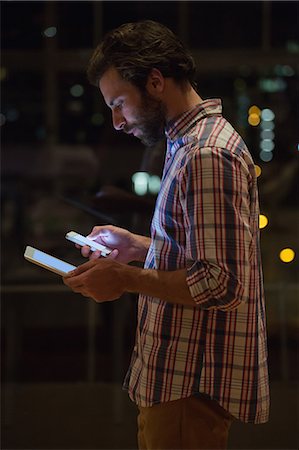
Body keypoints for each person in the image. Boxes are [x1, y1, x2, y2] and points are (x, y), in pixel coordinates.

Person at [63, 20, 270, 450]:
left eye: (119, 103)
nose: (116, 122)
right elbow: (201, 254)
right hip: (177, 378)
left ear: (156, 81)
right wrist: (138, 247)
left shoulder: (206, 153)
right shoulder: (188, 142)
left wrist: (123, 279)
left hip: (188, 383)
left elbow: (223, 282)